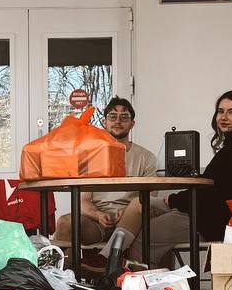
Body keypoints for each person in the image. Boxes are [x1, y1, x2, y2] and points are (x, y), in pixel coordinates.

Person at [108, 90, 232, 260]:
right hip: (202, 212)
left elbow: (213, 195)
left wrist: (173, 200)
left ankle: (114, 264)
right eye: (220, 111)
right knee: (138, 204)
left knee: (144, 235)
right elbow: (214, 187)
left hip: (209, 221)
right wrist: (176, 200)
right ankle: (109, 259)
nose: (224, 117)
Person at [52, 97, 157, 249]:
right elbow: (83, 201)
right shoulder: (90, 156)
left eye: (124, 117)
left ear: (132, 123)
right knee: (65, 223)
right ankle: (65, 265)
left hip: (132, 221)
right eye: (112, 116)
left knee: (159, 227)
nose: (118, 121)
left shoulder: (146, 157)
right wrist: (98, 215)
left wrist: (128, 212)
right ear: (104, 122)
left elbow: (151, 198)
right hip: (97, 222)